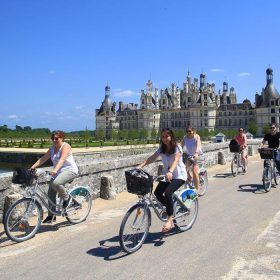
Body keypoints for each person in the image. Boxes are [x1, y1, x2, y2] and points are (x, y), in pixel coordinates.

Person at [137, 128, 187, 232]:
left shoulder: (177, 147)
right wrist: (140, 166)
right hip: (167, 176)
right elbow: (152, 157)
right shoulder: (162, 148)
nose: (165, 139)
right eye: (163, 136)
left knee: (168, 193)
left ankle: (169, 219)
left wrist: (171, 171)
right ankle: (170, 208)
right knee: (158, 193)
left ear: (171, 136)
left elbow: (176, 160)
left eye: (167, 136)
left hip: (178, 176)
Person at [30, 130, 79, 223]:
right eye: (52, 138)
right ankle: (51, 215)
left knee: (56, 183)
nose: (54, 140)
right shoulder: (52, 148)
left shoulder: (66, 146)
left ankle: (68, 200)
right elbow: (43, 159)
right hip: (58, 172)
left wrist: (55, 170)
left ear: (62, 138)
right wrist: (32, 167)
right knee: (50, 192)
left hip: (70, 170)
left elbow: (62, 159)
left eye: (56, 138)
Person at [182, 126, 203, 195]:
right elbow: (181, 146)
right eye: (187, 131)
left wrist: (196, 153)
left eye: (190, 131)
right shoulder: (185, 138)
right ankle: (190, 178)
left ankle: (198, 189)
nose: (188, 132)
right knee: (184, 170)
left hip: (197, 156)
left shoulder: (197, 137)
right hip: (190, 156)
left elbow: (198, 145)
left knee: (194, 171)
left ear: (193, 131)